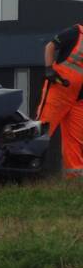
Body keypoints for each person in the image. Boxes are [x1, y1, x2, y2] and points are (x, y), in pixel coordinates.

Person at [36, 24, 83, 178]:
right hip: (59, 90)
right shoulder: (77, 32)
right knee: (41, 131)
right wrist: (48, 68)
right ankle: (29, 172)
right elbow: (50, 45)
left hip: (79, 100)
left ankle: (74, 180)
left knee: (75, 141)